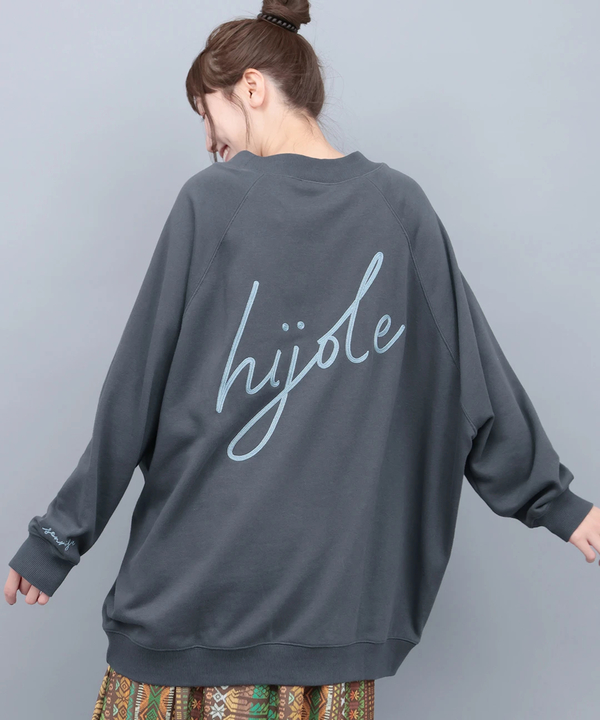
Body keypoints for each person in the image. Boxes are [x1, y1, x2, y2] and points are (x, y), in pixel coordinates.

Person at [5, 1, 599, 718]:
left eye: (208, 114)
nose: (209, 141)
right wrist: (559, 504)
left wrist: (56, 541)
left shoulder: (215, 203)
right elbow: (475, 381)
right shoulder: (399, 206)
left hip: (195, 603)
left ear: (252, 88)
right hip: (326, 617)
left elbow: (134, 391)